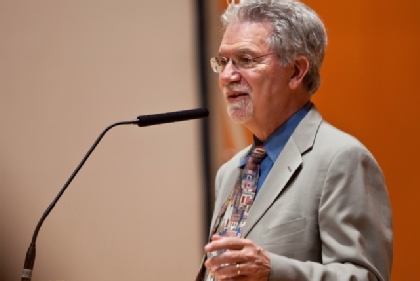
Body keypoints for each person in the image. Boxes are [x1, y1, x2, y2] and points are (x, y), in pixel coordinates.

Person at [196, 1, 393, 281]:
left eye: (246, 59)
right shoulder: (229, 173)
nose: (227, 76)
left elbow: (366, 277)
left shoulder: (341, 159)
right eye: (223, 61)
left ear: (297, 71)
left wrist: (274, 270)